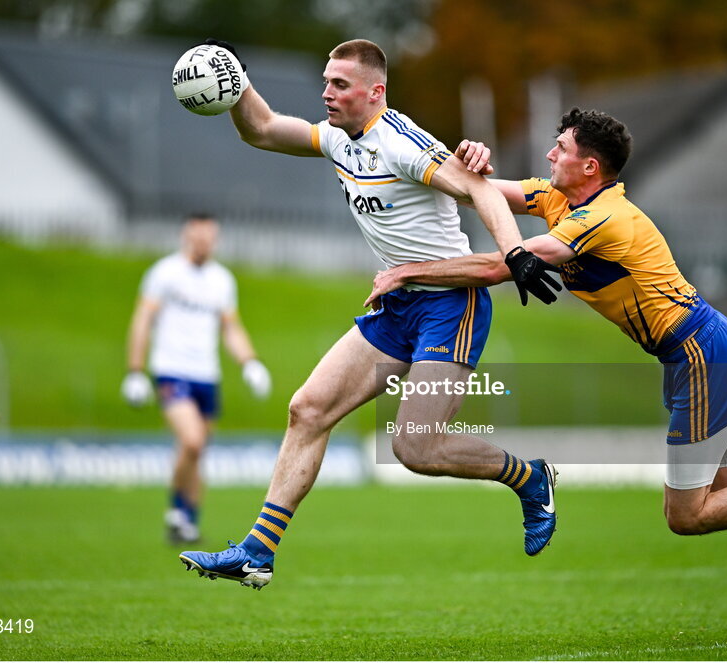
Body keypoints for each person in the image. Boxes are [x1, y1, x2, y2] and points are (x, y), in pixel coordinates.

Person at [365, 108, 727, 641]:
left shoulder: (603, 218)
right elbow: (478, 191)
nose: (549, 154)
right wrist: (460, 160)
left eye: (560, 147)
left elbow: (502, 265)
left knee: (688, 514)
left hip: (702, 354)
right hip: (696, 354)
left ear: (590, 166)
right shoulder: (556, 196)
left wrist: (404, 273)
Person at [177, 39, 562, 589]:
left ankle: (529, 478)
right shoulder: (336, 137)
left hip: (450, 305)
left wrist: (517, 252)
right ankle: (256, 553)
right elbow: (260, 129)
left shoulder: (402, 143)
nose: (326, 93)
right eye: (326, 81)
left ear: (375, 91)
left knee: (415, 446)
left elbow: (481, 190)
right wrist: (232, 81)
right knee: (307, 409)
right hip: (396, 303)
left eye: (340, 84)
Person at [122, 212, 272, 544]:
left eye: (209, 238)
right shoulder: (164, 273)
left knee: (197, 451)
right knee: (191, 440)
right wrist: (135, 370)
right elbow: (142, 320)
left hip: (207, 374)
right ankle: (176, 511)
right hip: (172, 369)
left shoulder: (222, 280)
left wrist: (250, 363)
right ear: (186, 236)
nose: (203, 244)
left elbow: (230, 328)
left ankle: (187, 522)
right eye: (198, 237)